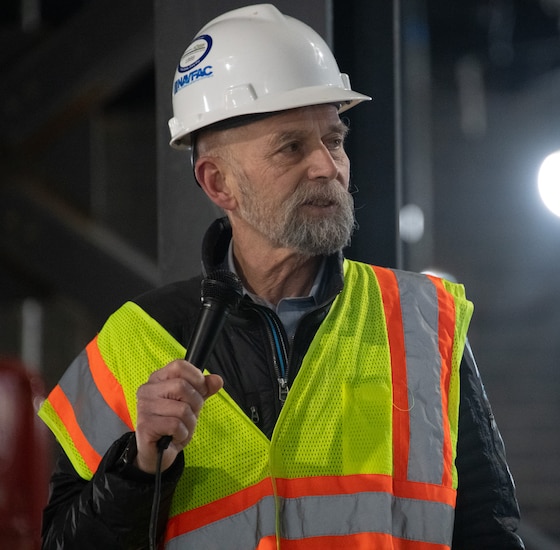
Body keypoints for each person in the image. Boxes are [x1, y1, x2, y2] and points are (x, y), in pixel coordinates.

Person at [37, 4, 523, 549]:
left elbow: (490, 531)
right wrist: (139, 468)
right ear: (219, 184)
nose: (327, 167)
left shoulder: (422, 321)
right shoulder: (134, 343)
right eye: (292, 147)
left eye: (334, 140)